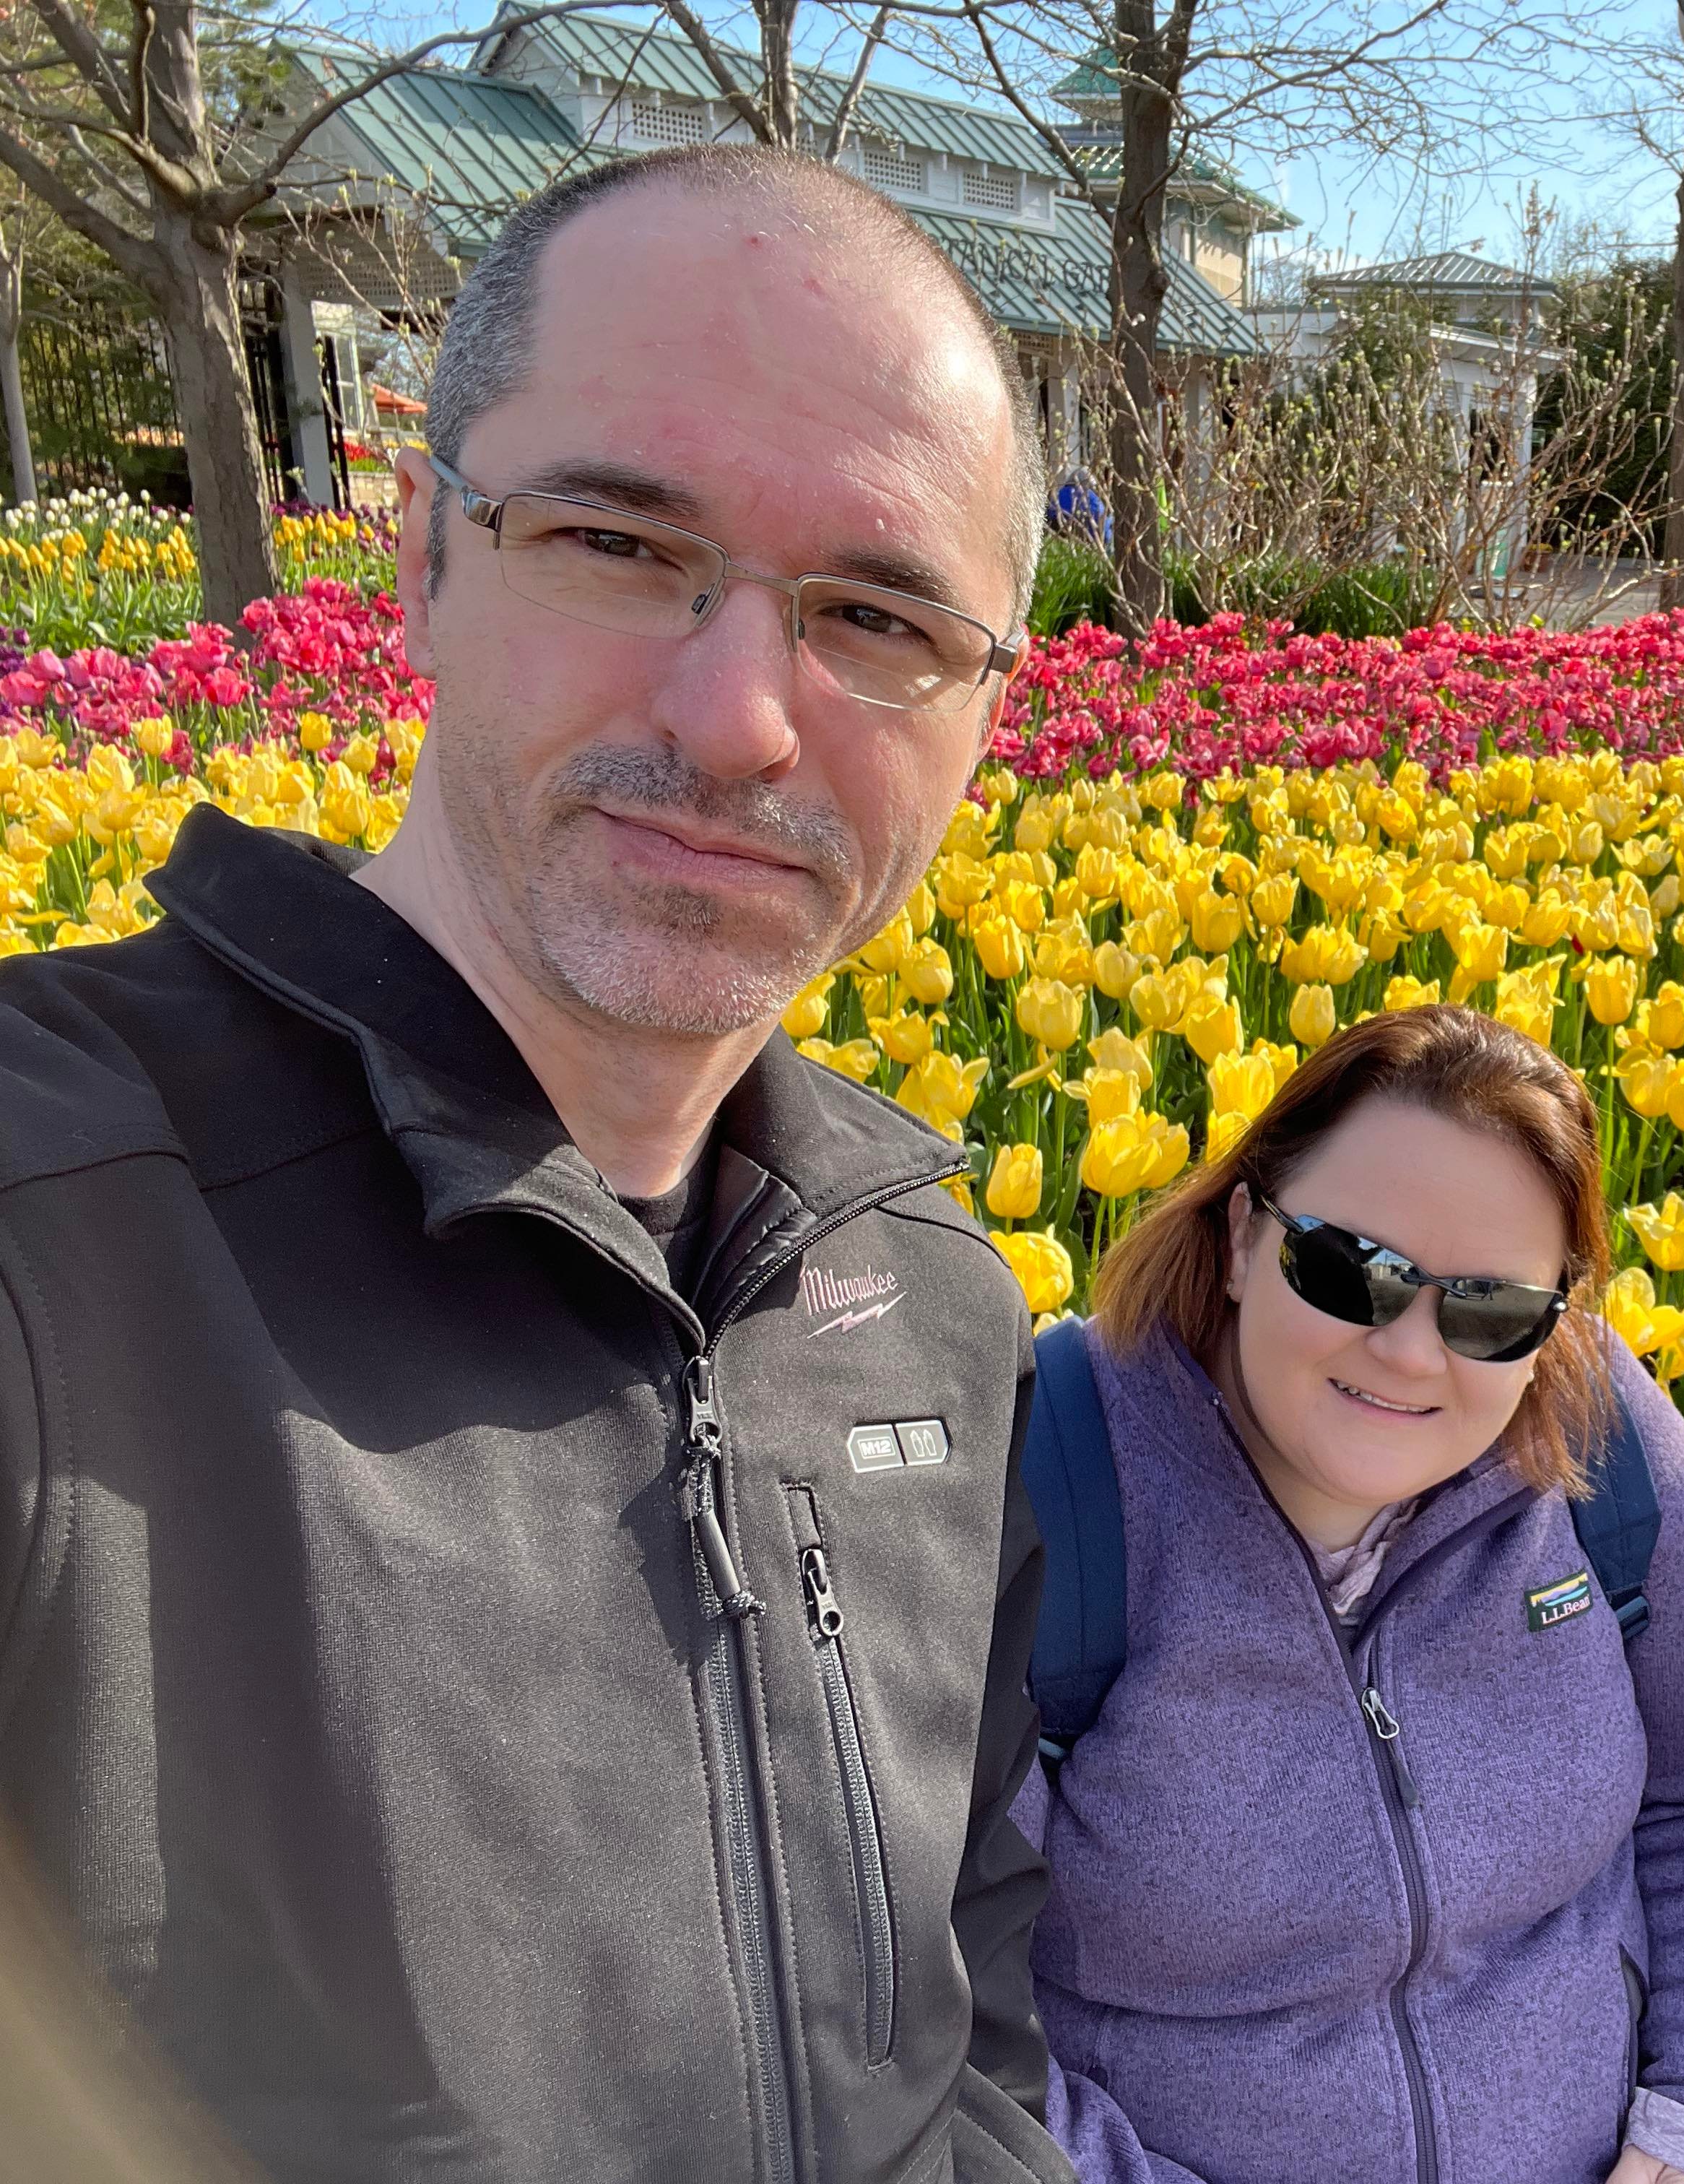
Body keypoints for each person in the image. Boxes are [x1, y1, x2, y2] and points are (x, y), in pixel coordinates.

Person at [0, 146, 1068, 2183]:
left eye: (878, 616)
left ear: (986, 707)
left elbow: (966, 2001)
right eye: (615, 540)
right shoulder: (56, 1228)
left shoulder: (930, 1294)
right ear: (420, 552)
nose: (742, 717)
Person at [1016, 1005, 1684, 2184]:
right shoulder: (1052, 1490)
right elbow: (938, 1997)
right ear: (1241, 1237)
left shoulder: (1611, 1453)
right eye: (1350, 1269)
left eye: (1491, 1309)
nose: (1413, 1353)